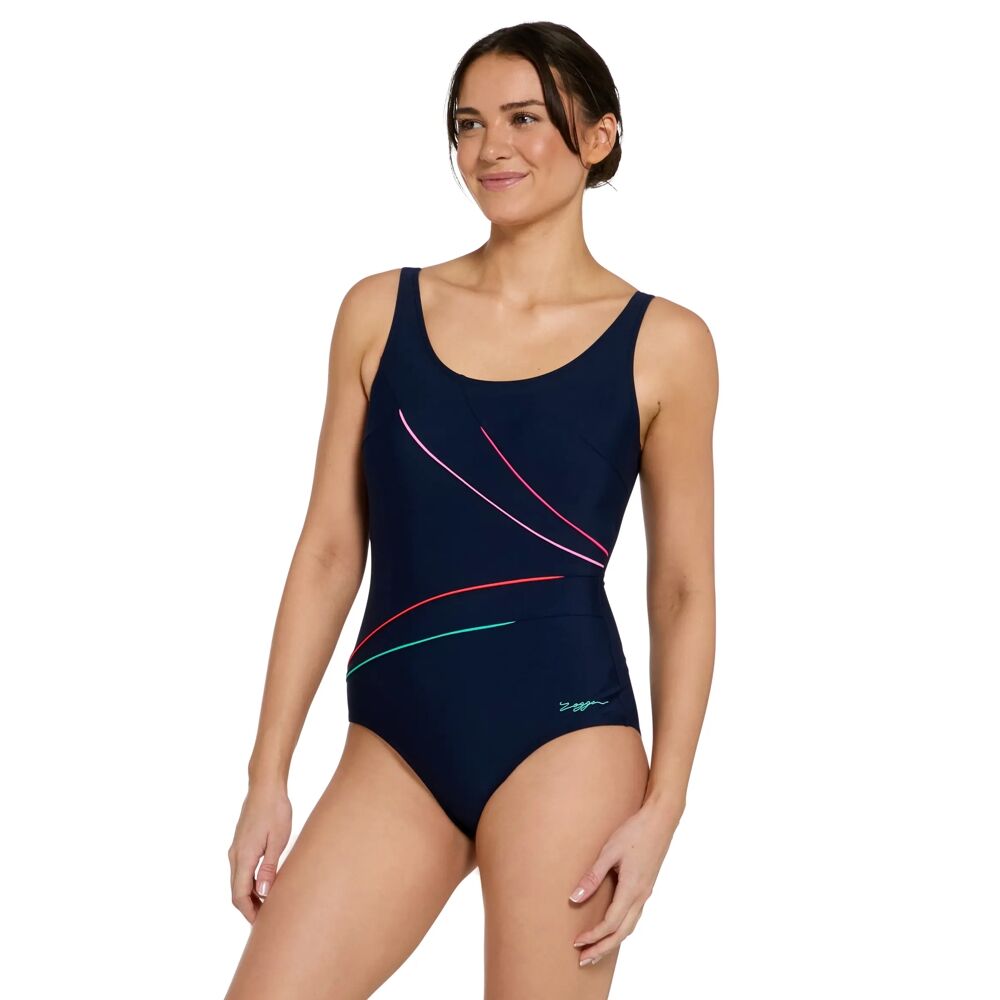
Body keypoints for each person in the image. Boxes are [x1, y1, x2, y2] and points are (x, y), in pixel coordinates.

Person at [225, 20, 718, 1000]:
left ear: (599, 136)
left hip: (566, 739)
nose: (492, 147)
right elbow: (329, 550)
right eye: (469, 123)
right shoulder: (379, 311)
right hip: (394, 741)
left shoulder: (666, 343)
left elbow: (680, 589)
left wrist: (665, 804)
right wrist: (266, 775)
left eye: (525, 117)